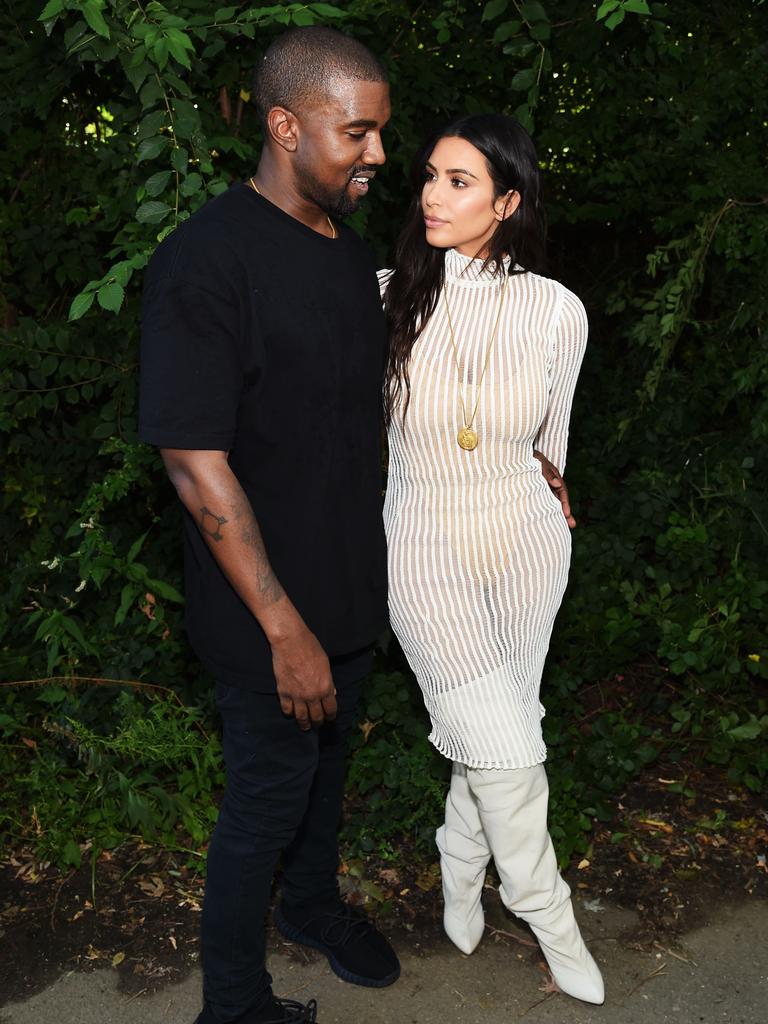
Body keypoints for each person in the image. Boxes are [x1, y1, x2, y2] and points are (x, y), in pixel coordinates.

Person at [139, 27, 400, 1024]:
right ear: (287, 127)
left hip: (347, 588)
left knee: (326, 779)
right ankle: (234, 1005)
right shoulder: (206, 264)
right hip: (267, 614)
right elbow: (193, 459)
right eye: (357, 133)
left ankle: (313, 906)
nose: (378, 155)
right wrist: (285, 630)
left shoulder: (348, 252)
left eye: (382, 133)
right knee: (263, 805)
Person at [379, 114, 605, 1004]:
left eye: (461, 182)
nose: (433, 194)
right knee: (509, 746)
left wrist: (556, 504)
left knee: (501, 727)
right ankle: (549, 914)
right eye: (432, 176)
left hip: (525, 545)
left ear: (507, 203)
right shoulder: (384, 298)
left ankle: (459, 858)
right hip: (423, 547)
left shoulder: (558, 311)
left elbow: (555, 446)